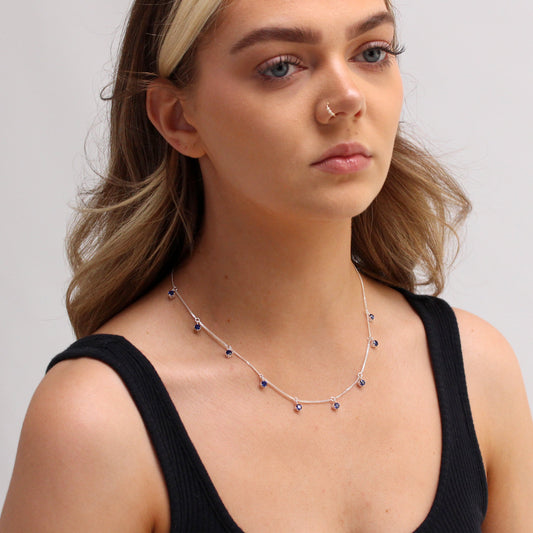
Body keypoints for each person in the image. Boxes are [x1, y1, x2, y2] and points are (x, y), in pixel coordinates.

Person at [1, 0, 532, 530]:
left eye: (371, 53)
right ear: (178, 118)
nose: (347, 98)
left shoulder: (478, 373)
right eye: (281, 66)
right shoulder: (97, 421)